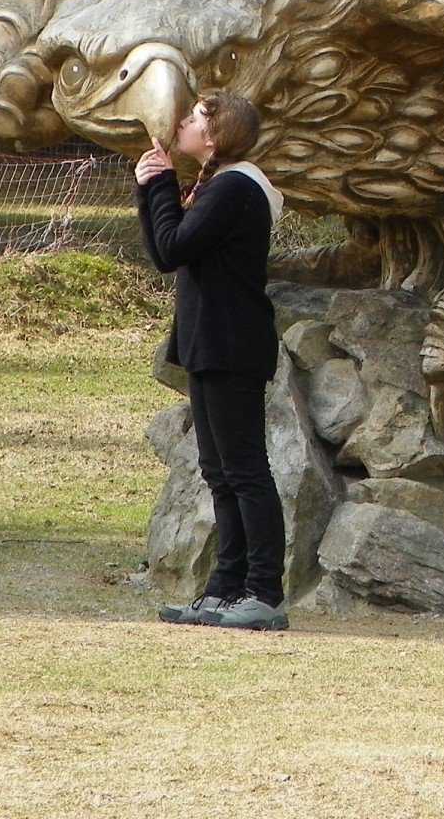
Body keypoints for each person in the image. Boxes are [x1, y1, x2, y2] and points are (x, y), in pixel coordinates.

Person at [134, 90, 289, 631]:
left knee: (245, 471)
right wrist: (150, 186)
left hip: (231, 344)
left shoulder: (235, 187)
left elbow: (174, 246)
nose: (182, 122)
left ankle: (264, 593)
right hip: (211, 343)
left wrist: (157, 185)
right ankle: (224, 589)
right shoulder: (217, 186)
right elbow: (164, 253)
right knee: (220, 473)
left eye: (195, 117)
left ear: (217, 134)